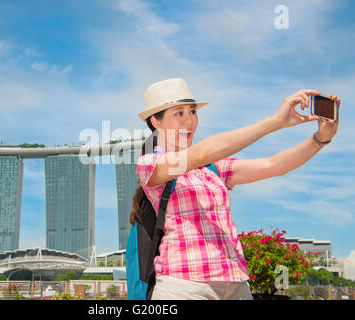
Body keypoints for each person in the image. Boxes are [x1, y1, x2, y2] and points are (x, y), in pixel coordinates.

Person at [131, 78, 341, 300]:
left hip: (235, 283)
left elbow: (274, 166)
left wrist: (320, 139)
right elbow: (201, 152)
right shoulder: (150, 164)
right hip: (184, 284)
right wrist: (275, 122)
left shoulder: (212, 169)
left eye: (192, 112)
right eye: (179, 113)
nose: (189, 121)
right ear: (155, 121)